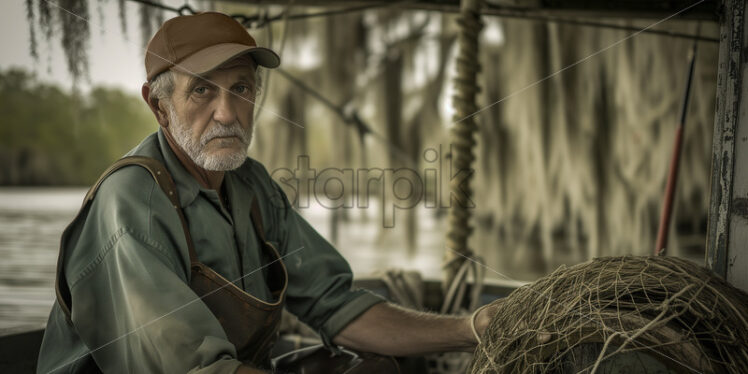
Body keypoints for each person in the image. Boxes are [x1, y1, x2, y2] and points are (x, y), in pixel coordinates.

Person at [36, 11, 496, 374]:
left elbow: (336, 305)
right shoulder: (132, 203)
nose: (227, 113)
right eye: (202, 91)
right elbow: (198, 370)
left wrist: (473, 328)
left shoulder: (251, 186)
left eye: (240, 88)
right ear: (159, 106)